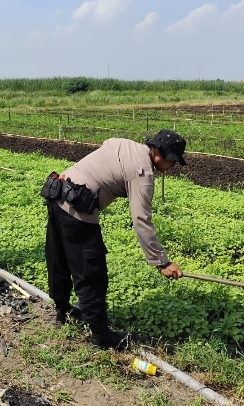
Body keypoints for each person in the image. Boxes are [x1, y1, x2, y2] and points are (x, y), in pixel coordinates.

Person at [42, 129, 186, 350]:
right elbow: (141, 220)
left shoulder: (124, 144)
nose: (172, 166)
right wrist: (162, 262)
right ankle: (100, 335)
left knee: (59, 259)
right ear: (158, 153)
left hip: (58, 194)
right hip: (77, 211)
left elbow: (107, 143)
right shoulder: (142, 172)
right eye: (172, 161)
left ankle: (62, 312)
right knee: (91, 271)